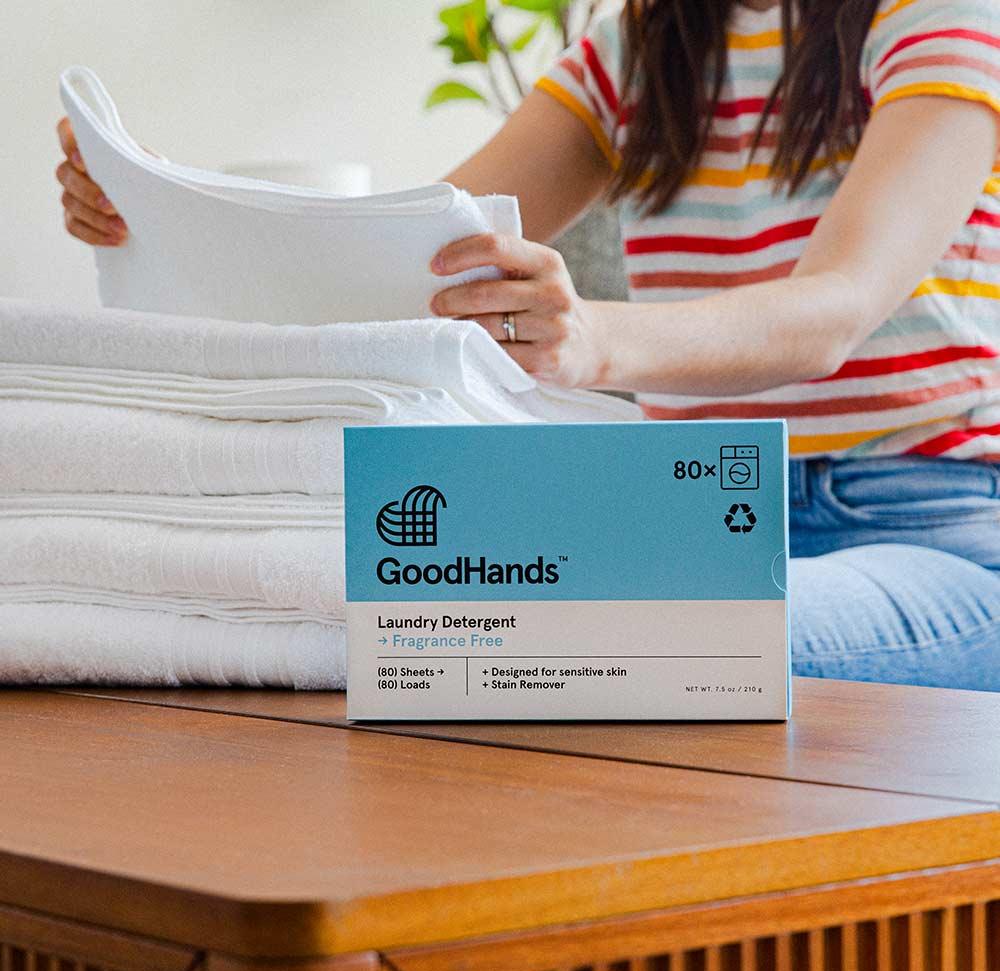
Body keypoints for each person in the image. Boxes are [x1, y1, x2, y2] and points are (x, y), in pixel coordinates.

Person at [55, 0, 1000, 690]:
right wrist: (151, 218)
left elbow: (832, 311)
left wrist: (588, 337)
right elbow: (409, 262)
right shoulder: (645, 44)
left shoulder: (936, 19)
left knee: (548, 652)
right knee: (421, 638)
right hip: (701, 522)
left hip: (930, 526)